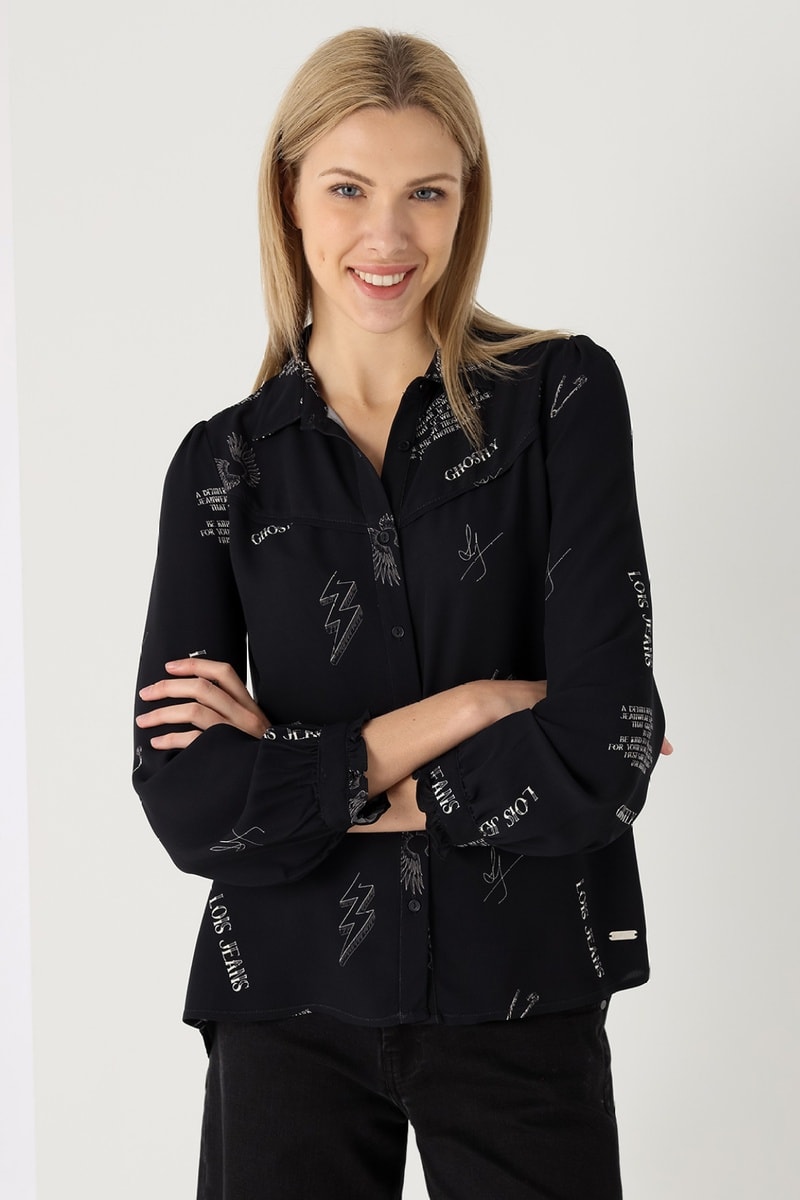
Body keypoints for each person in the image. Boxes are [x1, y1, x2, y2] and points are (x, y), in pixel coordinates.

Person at [133, 27, 669, 1200]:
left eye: (425, 192)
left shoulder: (561, 400)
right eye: (347, 189)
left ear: (466, 201)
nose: (386, 237)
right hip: (282, 1000)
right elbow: (191, 805)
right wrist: (473, 707)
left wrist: (298, 772)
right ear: (288, 195)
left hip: (523, 989)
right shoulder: (221, 468)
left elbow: (602, 751)